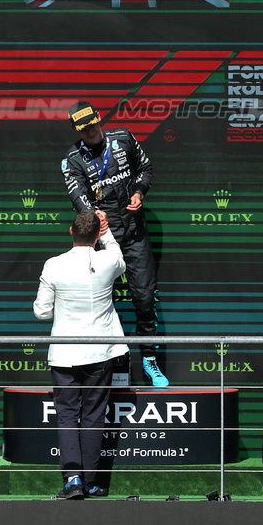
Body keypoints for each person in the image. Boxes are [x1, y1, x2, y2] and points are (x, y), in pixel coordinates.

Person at [61, 101, 166, 387]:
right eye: (84, 129)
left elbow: (146, 168)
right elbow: (77, 195)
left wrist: (139, 193)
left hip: (134, 234)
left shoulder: (124, 138)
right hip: (101, 240)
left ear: (98, 118)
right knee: (97, 303)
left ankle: (149, 360)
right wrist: (93, 214)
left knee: (144, 299)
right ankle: (102, 364)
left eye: (93, 124)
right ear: (76, 129)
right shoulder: (72, 158)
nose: (91, 131)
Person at [34, 209, 127, 499]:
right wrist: (107, 230)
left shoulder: (53, 265)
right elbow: (119, 256)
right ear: (97, 235)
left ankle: (73, 481)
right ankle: (89, 482)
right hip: (100, 353)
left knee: (67, 418)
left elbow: (41, 311)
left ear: (71, 232)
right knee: (93, 418)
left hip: (64, 355)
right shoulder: (109, 260)